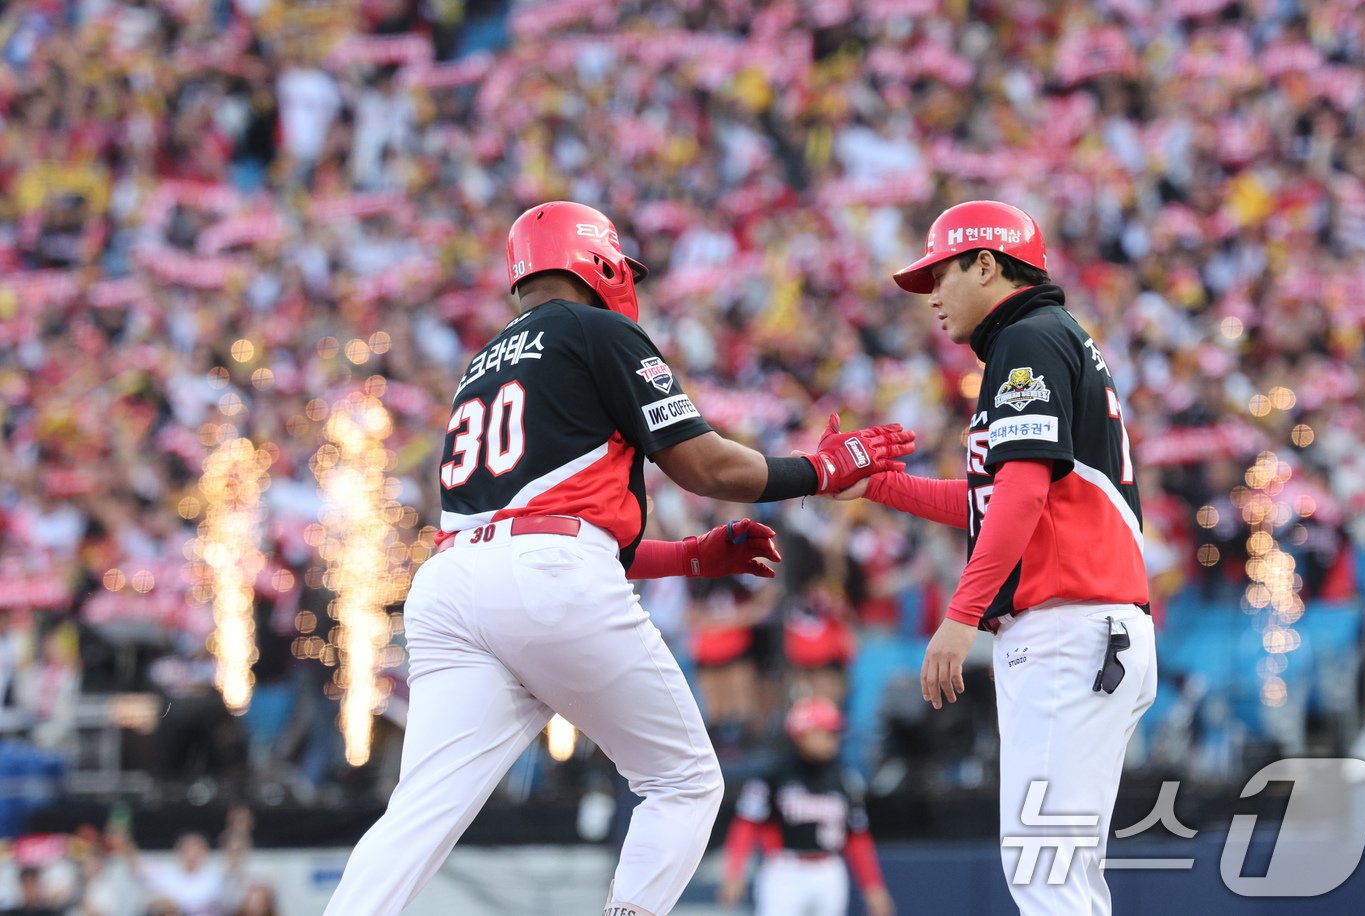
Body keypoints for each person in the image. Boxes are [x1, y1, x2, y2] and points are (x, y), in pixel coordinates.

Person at [325, 200, 915, 916]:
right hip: (542, 576)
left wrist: (690, 558)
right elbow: (706, 469)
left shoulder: (480, 363)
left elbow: (563, 522)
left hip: (452, 583)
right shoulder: (597, 328)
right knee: (685, 782)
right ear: (596, 262)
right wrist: (818, 471)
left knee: (419, 812)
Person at [839, 200, 1158, 914]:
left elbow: (1018, 494)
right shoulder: (1048, 337)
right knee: (1060, 877)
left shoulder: (1030, 337)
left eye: (941, 276)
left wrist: (961, 614)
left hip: (1071, 631)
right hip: (1088, 631)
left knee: (1047, 877)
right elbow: (993, 501)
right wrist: (878, 484)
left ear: (987, 263)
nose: (934, 299)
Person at [717, 697, 894, 916]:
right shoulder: (774, 774)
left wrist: (873, 886)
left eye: (835, 733)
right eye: (827, 732)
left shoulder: (845, 778)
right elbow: (746, 824)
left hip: (829, 869)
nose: (834, 739)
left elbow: (857, 837)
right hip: (785, 870)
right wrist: (734, 873)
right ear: (803, 734)